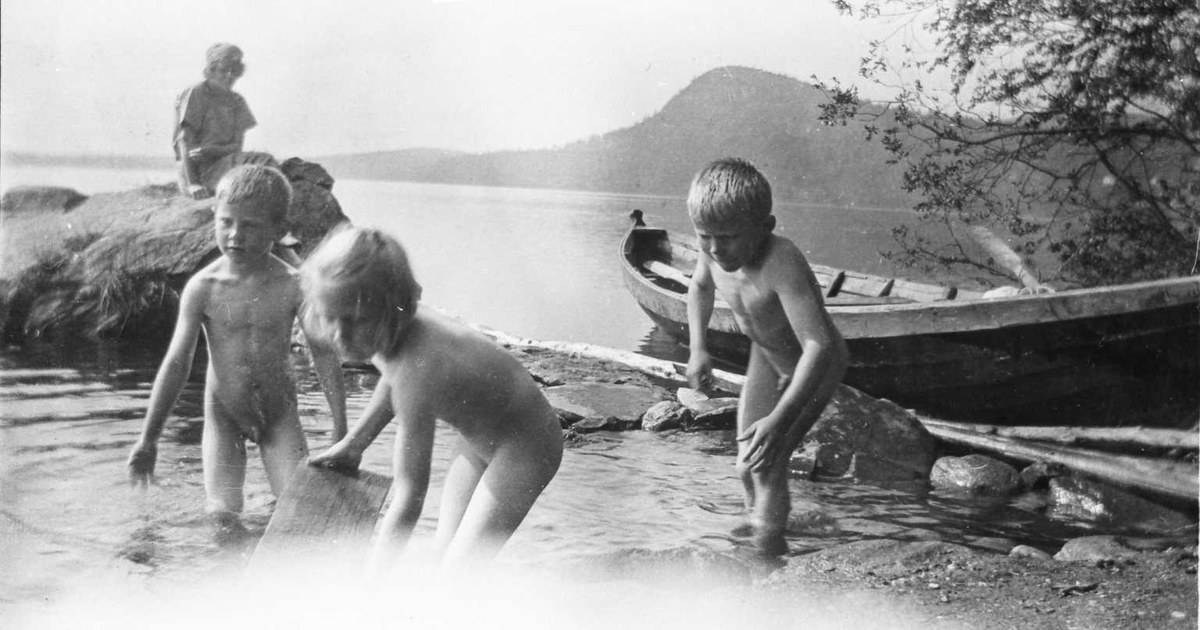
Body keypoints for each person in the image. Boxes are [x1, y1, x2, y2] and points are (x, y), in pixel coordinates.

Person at [302, 225, 563, 570]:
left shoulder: (417, 372)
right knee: (442, 552)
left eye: (353, 321)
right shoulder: (385, 332)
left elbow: (410, 495)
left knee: (458, 572)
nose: (339, 335)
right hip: (478, 437)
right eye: (329, 317)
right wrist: (355, 444)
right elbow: (391, 377)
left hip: (527, 446)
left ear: (392, 309)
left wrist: (370, 583)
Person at [127, 164, 348, 541]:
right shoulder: (204, 287)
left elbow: (323, 354)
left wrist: (342, 426)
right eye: (227, 222)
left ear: (279, 230)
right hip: (224, 416)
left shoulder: (294, 285)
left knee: (296, 514)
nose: (235, 235)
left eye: (251, 226)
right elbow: (177, 363)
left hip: (278, 415)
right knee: (222, 519)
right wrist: (149, 438)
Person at [684, 158, 849, 557]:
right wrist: (698, 348)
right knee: (746, 462)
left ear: (765, 227)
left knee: (768, 462)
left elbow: (818, 344)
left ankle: (765, 554)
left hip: (814, 368)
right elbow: (700, 288)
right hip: (765, 354)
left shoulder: (782, 261)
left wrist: (778, 419)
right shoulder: (711, 251)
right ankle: (760, 521)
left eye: (728, 237)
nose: (715, 248)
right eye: (705, 236)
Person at [173, 43, 275, 200]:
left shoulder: (237, 101)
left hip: (223, 165)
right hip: (197, 172)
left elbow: (236, 147)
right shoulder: (197, 93)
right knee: (265, 163)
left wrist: (210, 151)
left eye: (234, 71)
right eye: (223, 70)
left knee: (267, 164)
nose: (229, 75)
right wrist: (193, 184)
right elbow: (184, 141)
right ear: (211, 70)